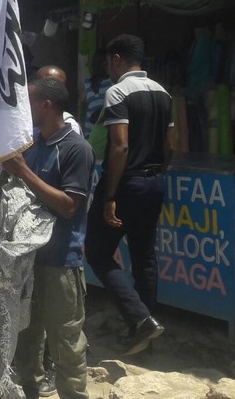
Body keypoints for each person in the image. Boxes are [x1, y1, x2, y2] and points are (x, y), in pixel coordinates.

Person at [5, 77, 94, 399]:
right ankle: (30, 388)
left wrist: (23, 171)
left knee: (66, 342)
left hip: (60, 262)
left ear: (46, 105)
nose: (23, 108)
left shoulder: (76, 149)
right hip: (28, 260)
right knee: (27, 337)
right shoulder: (32, 144)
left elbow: (69, 206)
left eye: (28, 101)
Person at [86, 34, 172, 356]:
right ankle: (145, 338)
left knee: (97, 252)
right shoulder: (163, 93)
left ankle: (140, 319)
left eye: (109, 62)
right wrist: (157, 173)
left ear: (117, 59)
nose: (108, 68)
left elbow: (120, 146)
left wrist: (110, 195)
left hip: (126, 184)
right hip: (154, 183)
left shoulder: (118, 92)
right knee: (144, 257)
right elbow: (170, 145)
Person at [34, 65, 81, 135]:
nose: (53, 89)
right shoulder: (26, 121)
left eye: (59, 85)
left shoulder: (68, 125)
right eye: (47, 84)